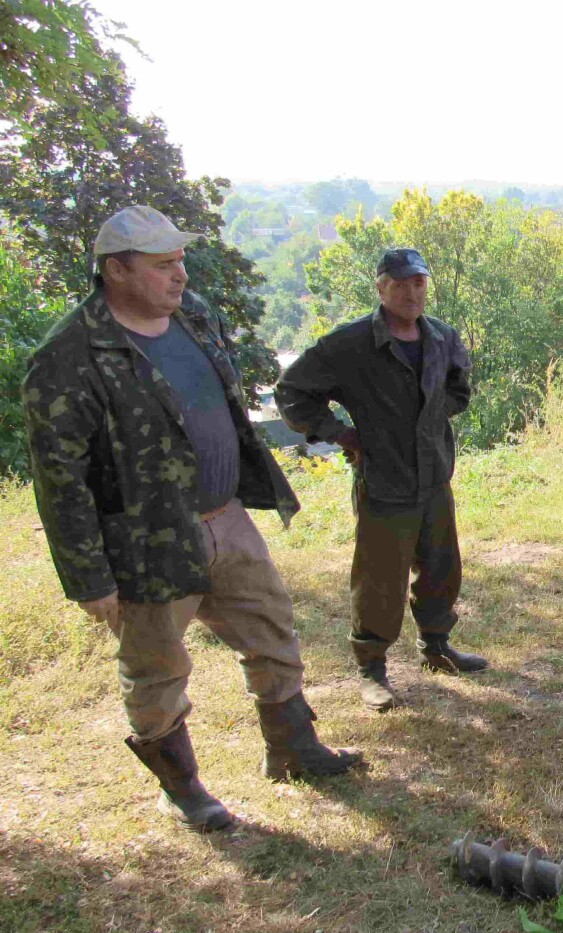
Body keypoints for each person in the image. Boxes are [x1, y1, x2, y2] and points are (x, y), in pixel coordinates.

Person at [23, 206, 363, 834]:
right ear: (116, 271)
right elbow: (60, 481)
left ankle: (293, 749)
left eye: (180, 260)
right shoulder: (68, 356)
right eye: (163, 265)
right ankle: (182, 790)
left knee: (271, 629)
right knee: (155, 667)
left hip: (225, 516)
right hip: (145, 543)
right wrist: (89, 579)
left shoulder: (194, 315)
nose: (180, 275)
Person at [275, 247, 486, 712]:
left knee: (441, 567)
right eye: (400, 284)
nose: (412, 293)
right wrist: (341, 433)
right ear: (381, 287)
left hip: (434, 476)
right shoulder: (349, 344)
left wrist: (430, 419)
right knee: (379, 581)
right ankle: (371, 669)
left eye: (419, 283)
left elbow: (459, 388)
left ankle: (437, 646)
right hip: (383, 479)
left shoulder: (442, 336)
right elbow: (292, 392)